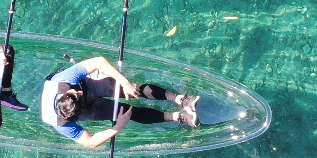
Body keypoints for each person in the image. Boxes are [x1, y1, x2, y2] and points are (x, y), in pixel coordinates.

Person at [39, 55, 199, 148]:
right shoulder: (62, 125)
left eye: (76, 93)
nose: (80, 93)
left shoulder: (64, 80)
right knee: (126, 113)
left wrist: (125, 82)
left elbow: (99, 61)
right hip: (84, 110)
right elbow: (90, 142)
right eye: (80, 95)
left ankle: (182, 99)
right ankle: (179, 116)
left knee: (132, 90)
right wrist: (118, 126)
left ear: (65, 94)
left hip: (86, 83)